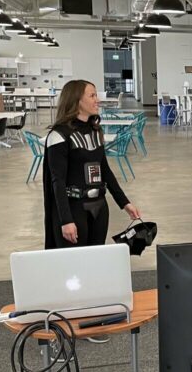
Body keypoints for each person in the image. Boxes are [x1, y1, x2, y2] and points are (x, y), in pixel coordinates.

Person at [43, 79, 140, 248]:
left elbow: (105, 171)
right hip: (74, 209)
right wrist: (65, 220)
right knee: (73, 265)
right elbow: (57, 182)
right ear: (76, 101)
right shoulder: (59, 136)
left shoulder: (95, 131)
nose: (97, 100)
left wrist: (125, 203)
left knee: (96, 260)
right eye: (92, 95)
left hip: (99, 207)